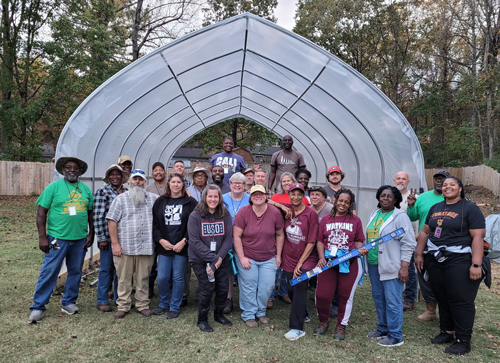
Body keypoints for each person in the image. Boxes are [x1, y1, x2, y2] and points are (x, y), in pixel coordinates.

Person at [415, 176, 485, 356]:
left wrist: (476, 264)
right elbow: (424, 231)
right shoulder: (435, 208)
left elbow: (477, 237)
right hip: (435, 259)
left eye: (452, 184)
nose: (447, 187)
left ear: (460, 188)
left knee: (460, 299)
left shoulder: (470, 208)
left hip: (460, 259)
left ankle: (463, 340)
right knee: (442, 296)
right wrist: (418, 254)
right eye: (445, 185)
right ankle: (447, 332)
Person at [28, 157, 95, 323]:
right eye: (68, 167)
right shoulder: (53, 187)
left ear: (79, 171)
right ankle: (38, 306)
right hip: (57, 238)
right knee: (50, 270)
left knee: (75, 271)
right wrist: (42, 237)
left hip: (79, 238)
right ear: (63, 170)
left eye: (75, 168)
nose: (72, 170)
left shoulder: (85, 189)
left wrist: (91, 233)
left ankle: (69, 302)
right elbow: (41, 212)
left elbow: (90, 213)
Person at [365, 185, 415, 347]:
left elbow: (408, 243)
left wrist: (404, 266)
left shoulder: (400, 216)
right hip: (373, 263)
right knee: (379, 298)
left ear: (396, 199)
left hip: (392, 265)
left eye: (389, 196)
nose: (385, 198)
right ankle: (383, 328)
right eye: (382, 195)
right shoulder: (375, 213)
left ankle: (395, 335)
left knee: (393, 301)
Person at [106, 169, 159, 319]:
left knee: (143, 278)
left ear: (145, 182)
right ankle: (123, 305)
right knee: (123, 278)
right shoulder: (120, 199)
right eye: (134, 179)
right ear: (129, 182)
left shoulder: (154, 199)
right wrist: (115, 244)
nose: (137, 182)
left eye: (140, 180)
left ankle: (142, 304)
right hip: (125, 247)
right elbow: (112, 221)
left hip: (146, 247)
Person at [314, 189, 366, 340]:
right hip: (329, 263)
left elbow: (358, 240)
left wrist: (360, 249)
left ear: (350, 204)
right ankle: (323, 321)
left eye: (347, 202)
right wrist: (321, 257)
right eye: (340, 200)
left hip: (349, 263)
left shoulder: (355, 220)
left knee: (345, 295)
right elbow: (319, 240)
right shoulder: (325, 219)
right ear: (335, 200)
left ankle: (341, 325)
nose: (343, 204)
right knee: (322, 295)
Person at [233, 185, 285, 327]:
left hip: (269, 257)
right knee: (249, 284)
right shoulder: (244, 212)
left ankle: (261, 312)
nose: (258, 196)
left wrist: (278, 256)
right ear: (250, 197)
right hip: (248, 255)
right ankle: (249, 314)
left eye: (260, 194)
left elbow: (280, 234)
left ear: (266, 196)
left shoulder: (275, 213)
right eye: (254, 194)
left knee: (267, 286)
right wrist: (242, 257)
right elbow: (236, 236)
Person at [187, 185, 233, 332]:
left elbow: (227, 239)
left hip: (221, 257)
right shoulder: (195, 216)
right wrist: (213, 259)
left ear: (220, 198)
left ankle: (218, 315)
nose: (213, 199)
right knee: (207, 288)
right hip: (200, 259)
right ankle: (202, 319)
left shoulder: (225, 214)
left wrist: (218, 259)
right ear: (204, 197)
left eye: (216, 196)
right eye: (210, 196)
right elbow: (194, 241)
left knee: (223, 288)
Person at [407, 169, 451, 322]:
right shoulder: (424, 197)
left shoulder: (453, 198)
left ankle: (447, 310)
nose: (439, 181)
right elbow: (413, 217)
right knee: (424, 276)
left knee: (446, 278)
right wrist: (411, 206)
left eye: (443, 179)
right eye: (437, 178)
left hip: (447, 245)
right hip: (424, 242)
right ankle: (430, 310)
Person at [152, 173, 197, 319]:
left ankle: (174, 306)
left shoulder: (190, 202)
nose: (176, 184)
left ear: (183, 185)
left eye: (179, 182)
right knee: (163, 277)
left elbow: (195, 226)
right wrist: (160, 240)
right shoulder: (160, 201)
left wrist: (184, 241)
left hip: (181, 247)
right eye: (173, 182)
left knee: (178, 277)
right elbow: (154, 224)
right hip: (164, 246)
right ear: (168, 184)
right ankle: (163, 303)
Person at [280, 182, 319, 340]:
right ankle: (303, 312)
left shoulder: (310, 214)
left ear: (304, 196)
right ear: (289, 195)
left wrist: (300, 264)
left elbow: (311, 242)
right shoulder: (286, 210)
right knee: (290, 289)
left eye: (299, 194)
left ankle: (297, 327)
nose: (296, 197)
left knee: (299, 285)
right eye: (292, 194)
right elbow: (266, 200)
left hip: (307, 258)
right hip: (289, 257)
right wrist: (281, 206)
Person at [94, 164, 129, 312]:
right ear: (108, 177)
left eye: (118, 174)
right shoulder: (103, 192)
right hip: (108, 239)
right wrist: (101, 237)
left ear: (122, 177)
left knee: (120, 271)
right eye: (112, 174)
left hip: (124, 238)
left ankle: (118, 298)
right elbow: (98, 216)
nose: (115, 177)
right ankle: (102, 299)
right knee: (106, 269)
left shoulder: (127, 192)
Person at [222, 172, 250, 314]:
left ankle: (247, 300)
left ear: (245, 185)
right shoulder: (222, 198)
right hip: (226, 239)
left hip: (246, 240)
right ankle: (229, 298)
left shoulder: (251, 199)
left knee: (246, 270)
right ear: (230, 185)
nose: (237, 185)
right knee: (228, 271)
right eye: (234, 183)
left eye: (240, 183)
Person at [393, 171, 419, 311]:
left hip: (409, 240)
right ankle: (395, 294)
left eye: (404, 179)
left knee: (408, 269)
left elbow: (417, 219)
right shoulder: (390, 196)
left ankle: (409, 299)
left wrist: (416, 236)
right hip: (392, 240)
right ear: (394, 180)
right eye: (398, 178)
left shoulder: (415, 197)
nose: (401, 181)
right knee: (394, 267)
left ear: (408, 182)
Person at [146, 161, 167, 298]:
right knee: (151, 263)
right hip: (151, 229)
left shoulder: (170, 187)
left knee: (166, 261)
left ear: (165, 173)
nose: (158, 172)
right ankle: (149, 289)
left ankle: (167, 289)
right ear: (152, 174)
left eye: (161, 170)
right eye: (155, 170)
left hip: (167, 229)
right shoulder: (147, 189)